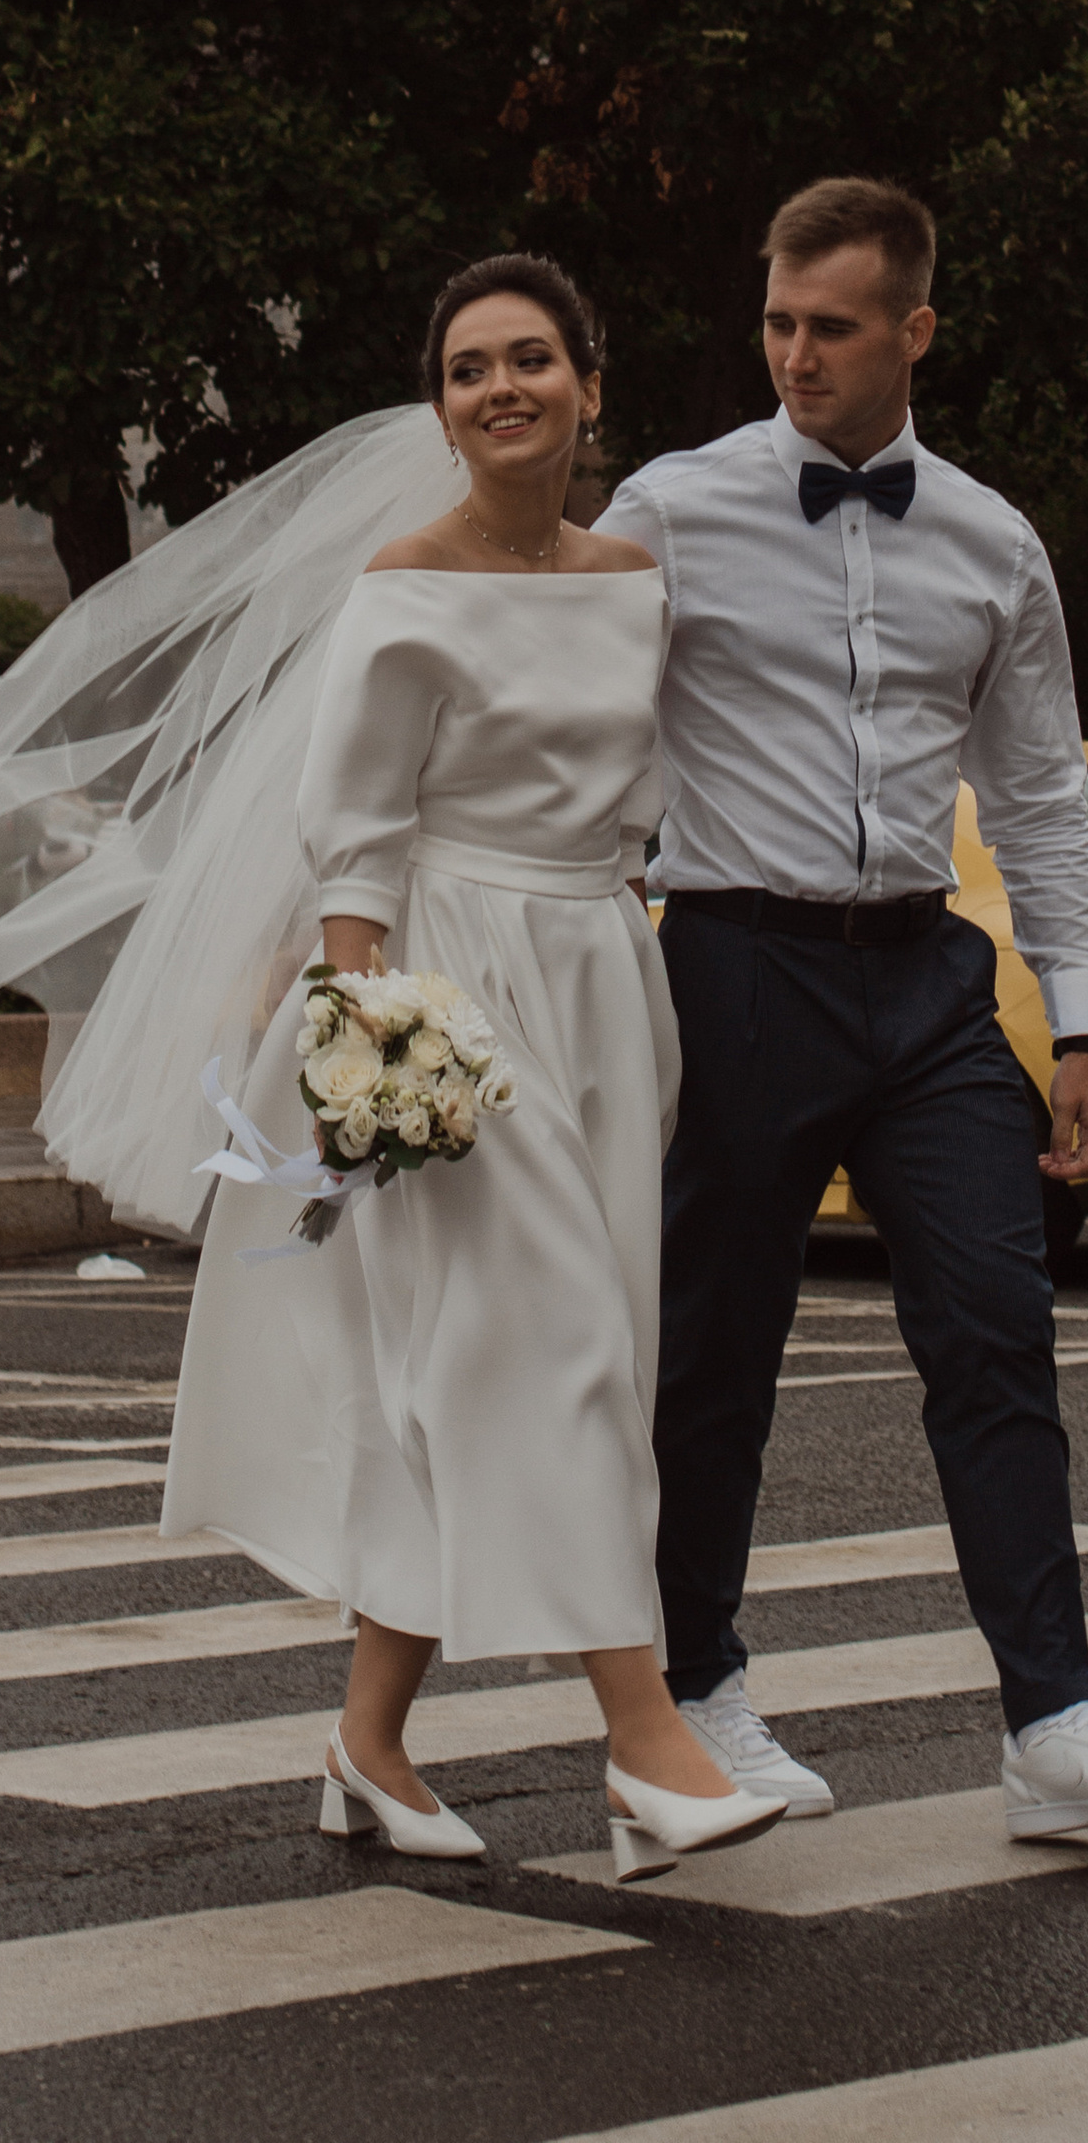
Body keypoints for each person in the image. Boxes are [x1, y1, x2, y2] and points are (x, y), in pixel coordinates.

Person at [599, 177, 1088, 1843]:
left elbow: (1037, 804)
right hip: (734, 963)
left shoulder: (995, 541)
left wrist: (1081, 1028)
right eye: (779, 325)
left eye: (834, 327)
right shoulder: (670, 510)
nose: (798, 357)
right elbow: (563, 724)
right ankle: (699, 1688)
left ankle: (1055, 1717)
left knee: (995, 1327)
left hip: (930, 983)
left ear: (916, 331)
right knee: (718, 1350)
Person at [160, 254, 783, 1887]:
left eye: (529, 359)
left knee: (493, 1379)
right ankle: (648, 1740)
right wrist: (374, 1055)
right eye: (465, 370)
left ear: (589, 380)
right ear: (440, 409)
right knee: (554, 1344)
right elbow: (352, 843)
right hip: (446, 985)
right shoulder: (403, 584)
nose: (499, 388)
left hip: (599, 978)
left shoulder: (635, 577)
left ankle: (370, 1744)